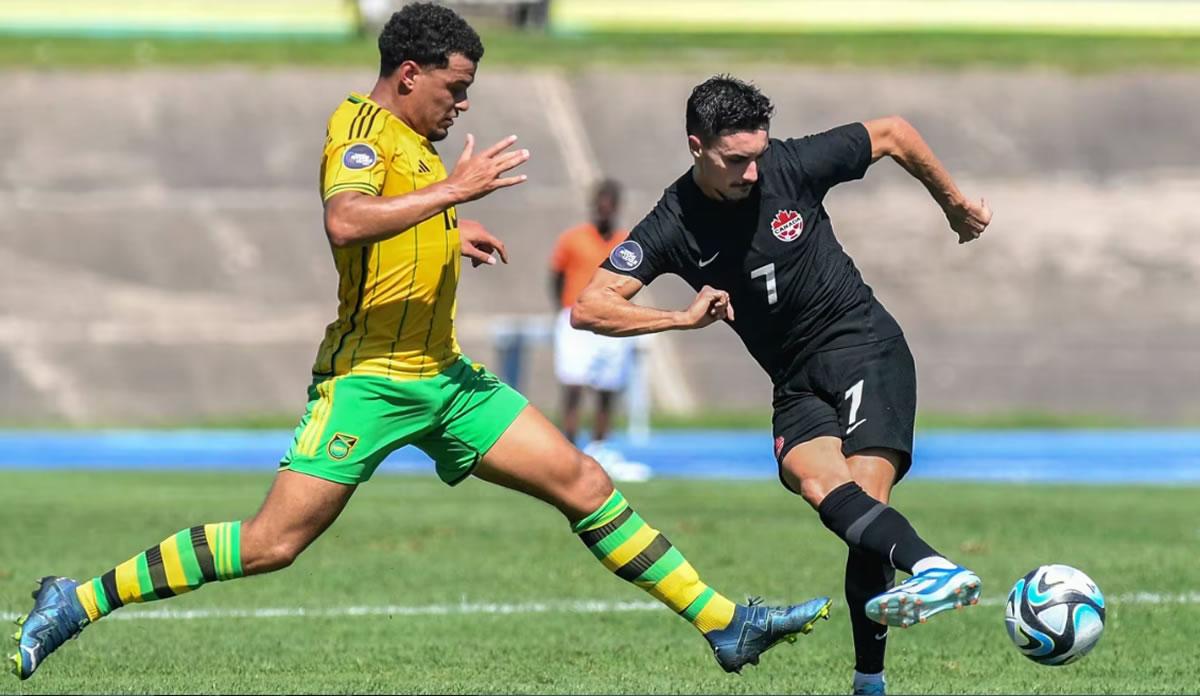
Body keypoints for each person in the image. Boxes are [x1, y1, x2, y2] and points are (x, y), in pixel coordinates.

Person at [9, 8, 831, 682]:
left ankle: (725, 623)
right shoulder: (357, 125)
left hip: (444, 379)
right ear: (411, 74)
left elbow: (391, 218)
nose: (462, 104)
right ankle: (74, 601)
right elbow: (344, 218)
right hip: (368, 380)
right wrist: (455, 192)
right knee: (272, 545)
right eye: (456, 86)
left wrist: (448, 229)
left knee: (581, 478)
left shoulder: (417, 146)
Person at [571, 75, 993, 696]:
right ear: (696, 146)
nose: (750, 172)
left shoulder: (790, 164)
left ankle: (883, 656)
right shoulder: (673, 223)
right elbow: (589, 307)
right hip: (795, 382)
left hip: (864, 348)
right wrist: (678, 318)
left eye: (756, 155)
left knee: (866, 500)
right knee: (818, 484)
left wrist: (954, 204)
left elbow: (893, 134)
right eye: (734, 159)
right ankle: (929, 572)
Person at [548, 179, 649, 481]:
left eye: (610, 204)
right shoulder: (572, 239)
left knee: (608, 387)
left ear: (616, 207)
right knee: (573, 384)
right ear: (594, 206)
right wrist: (565, 309)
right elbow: (556, 276)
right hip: (576, 319)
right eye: (600, 204)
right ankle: (567, 446)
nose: (604, 210)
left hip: (610, 320)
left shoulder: (626, 242)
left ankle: (601, 447)